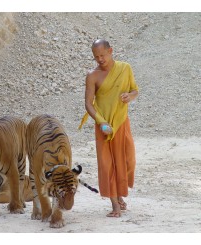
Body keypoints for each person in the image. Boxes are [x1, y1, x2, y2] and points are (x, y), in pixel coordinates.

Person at [78, 39, 139, 217]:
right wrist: (101, 122)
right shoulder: (92, 75)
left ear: (110, 51)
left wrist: (130, 96)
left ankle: (119, 194)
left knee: (127, 161)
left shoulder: (125, 68)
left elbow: (135, 90)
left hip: (121, 122)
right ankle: (115, 205)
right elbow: (88, 103)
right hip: (103, 126)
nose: (100, 59)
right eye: (96, 57)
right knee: (107, 165)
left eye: (103, 55)